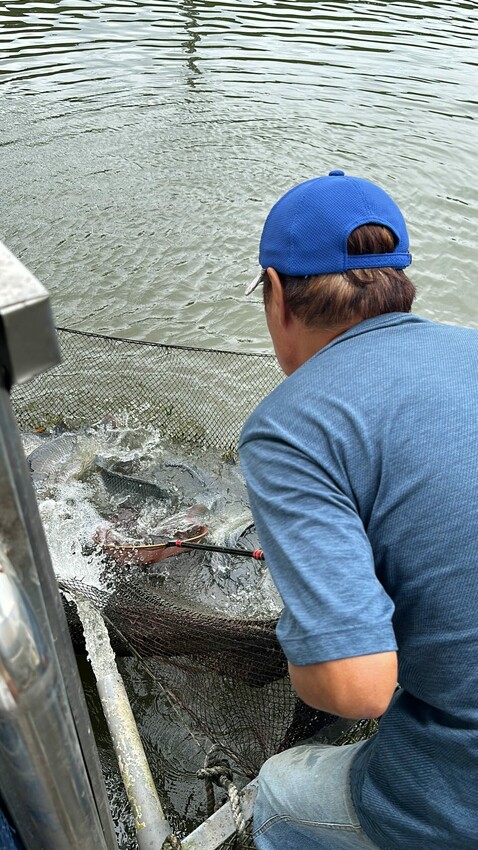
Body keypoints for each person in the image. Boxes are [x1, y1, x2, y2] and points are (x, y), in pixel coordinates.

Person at [238, 170, 478, 850]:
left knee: (283, 790)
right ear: (403, 283)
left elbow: (358, 689)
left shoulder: (290, 425)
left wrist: (307, 634)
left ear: (277, 293)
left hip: (459, 807)